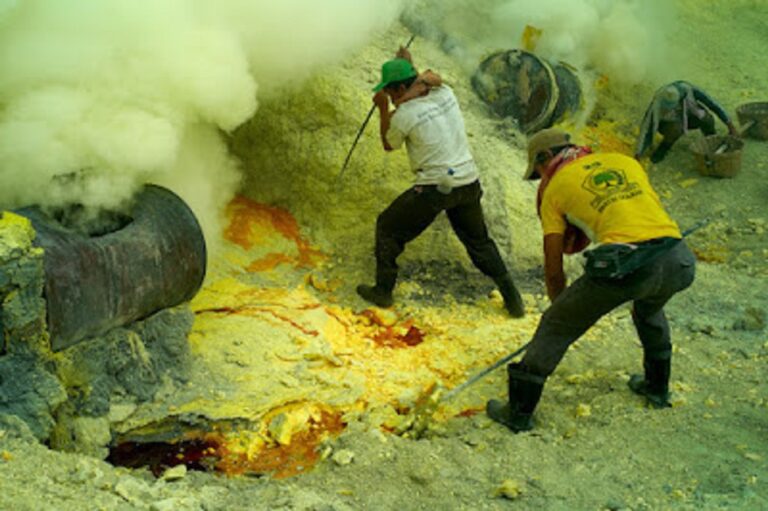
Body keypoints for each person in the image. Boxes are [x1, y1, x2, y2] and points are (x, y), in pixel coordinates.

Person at [487, 128, 697, 432]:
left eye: (539, 169)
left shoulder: (555, 188)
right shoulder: (625, 162)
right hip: (679, 258)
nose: (541, 177)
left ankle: (518, 413)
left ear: (546, 157)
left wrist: (562, 309)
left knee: (555, 325)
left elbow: (553, 264)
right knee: (649, 309)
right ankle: (656, 387)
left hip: (630, 264)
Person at [356, 48, 525, 317]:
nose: (388, 95)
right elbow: (428, 81)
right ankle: (514, 300)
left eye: (389, 91)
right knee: (479, 242)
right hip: (468, 181)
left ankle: (383, 291)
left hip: (435, 187)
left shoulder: (403, 116)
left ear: (399, 88)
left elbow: (389, 143)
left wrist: (382, 109)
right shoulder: (445, 94)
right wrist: (409, 67)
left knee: (387, 227)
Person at [635, 80, 738, 163]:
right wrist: (639, 152)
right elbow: (646, 126)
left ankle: (711, 139)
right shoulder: (657, 102)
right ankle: (664, 147)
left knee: (707, 118)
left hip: (689, 115)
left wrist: (730, 125)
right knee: (675, 129)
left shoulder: (689, 89)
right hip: (670, 123)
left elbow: (713, 105)